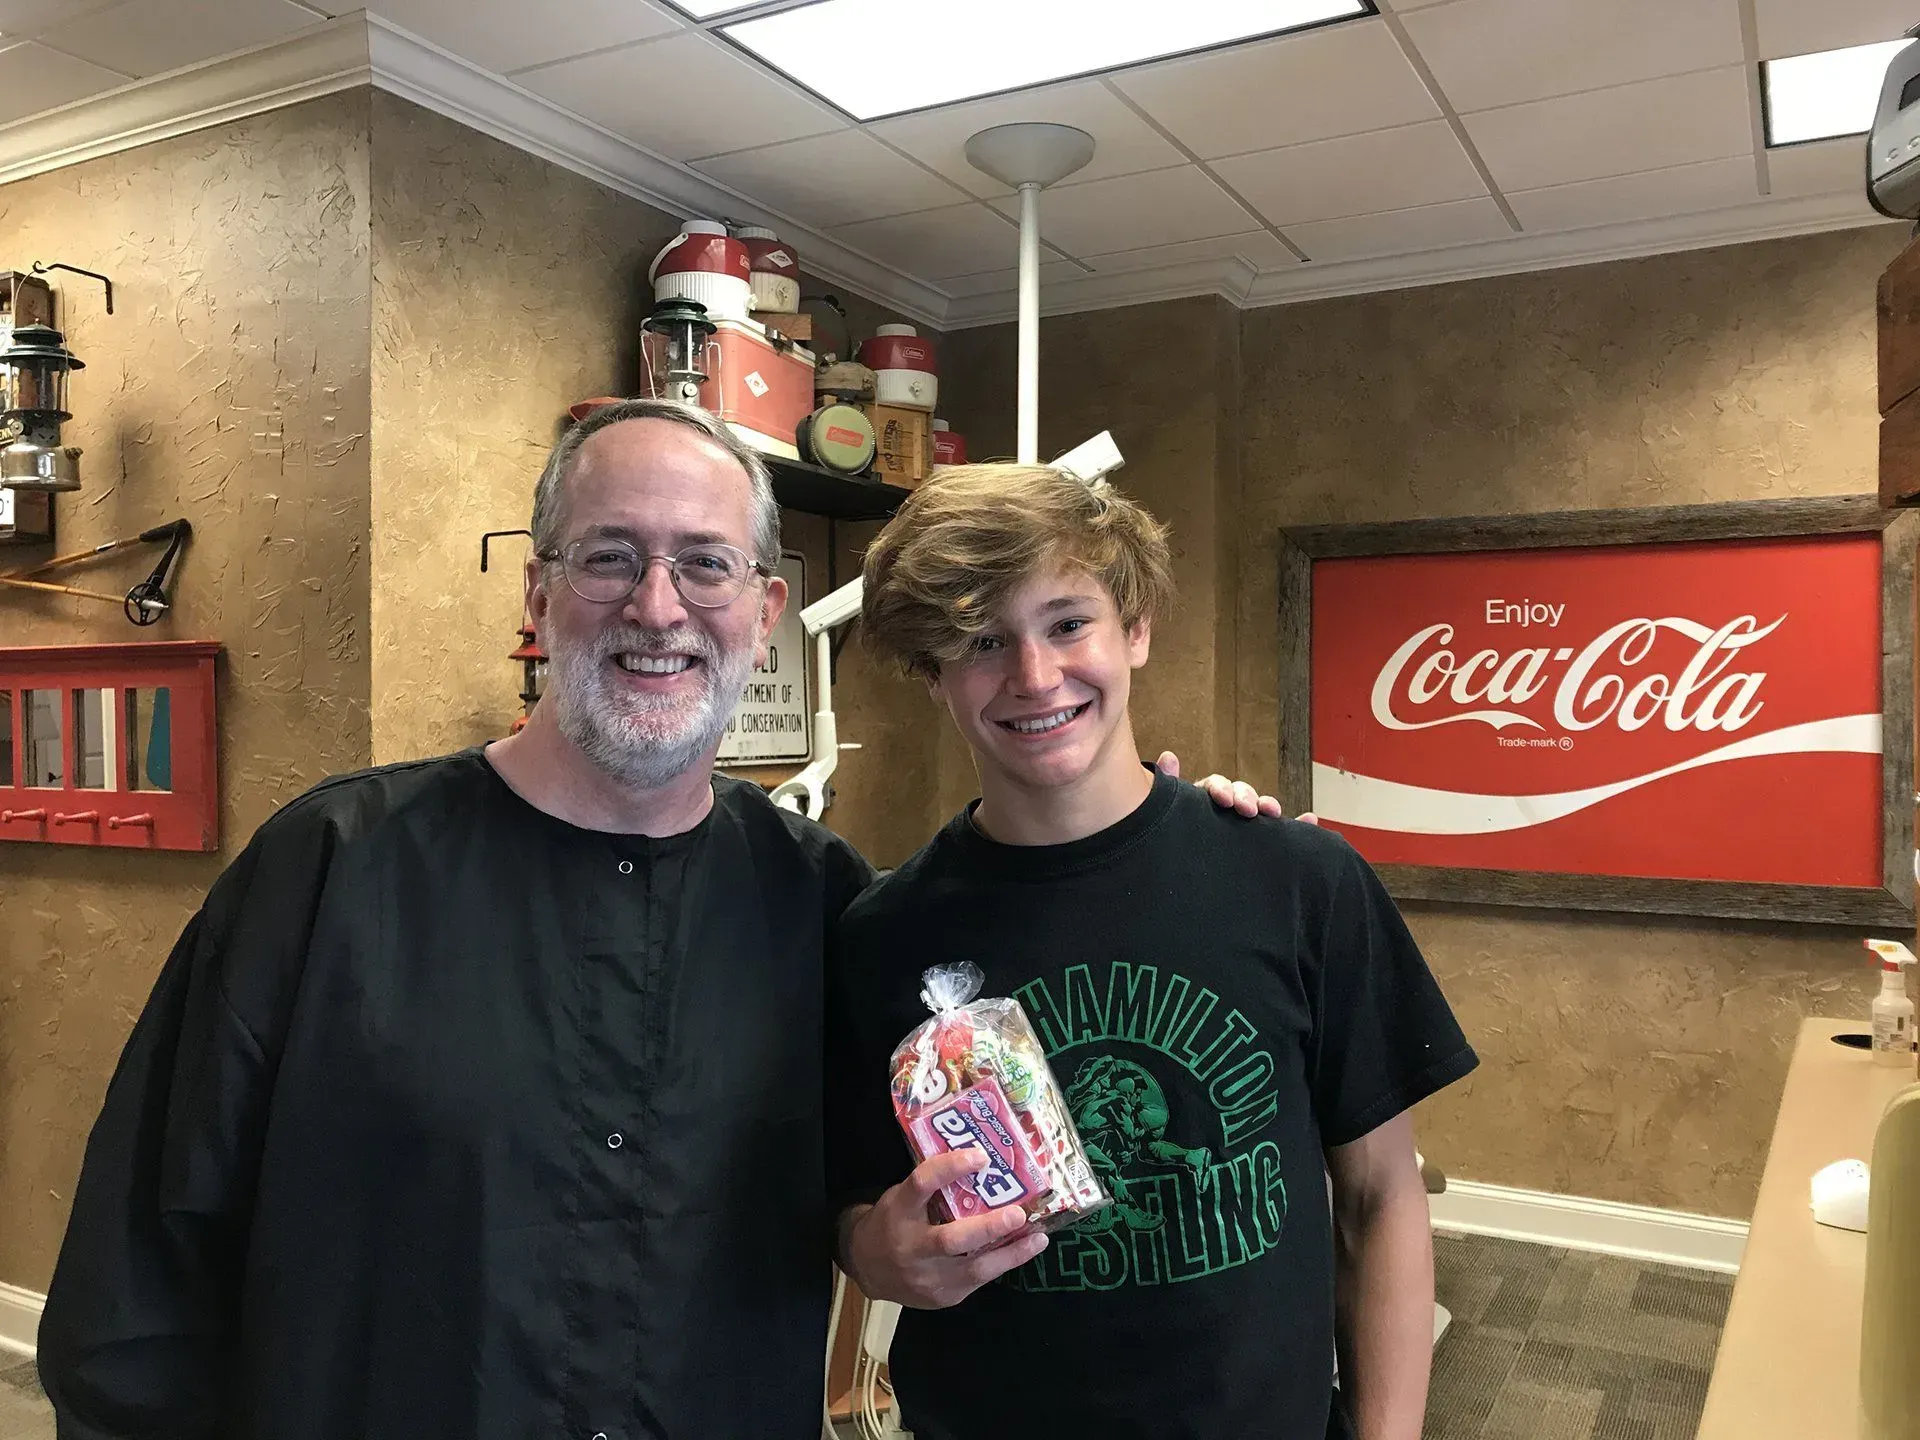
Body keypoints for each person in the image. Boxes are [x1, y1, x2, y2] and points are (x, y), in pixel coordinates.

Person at [35, 399, 1281, 1440]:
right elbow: (139, 1274)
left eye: (704, 562)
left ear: (766, 605)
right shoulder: (331, 870)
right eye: (609, 556)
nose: (659, 606)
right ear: (539, 592)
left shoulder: (822, 900)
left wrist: (1170, 835)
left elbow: (884, 1186)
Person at [827, 463, 1479, 1440]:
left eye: (1066, 621)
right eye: (980, 640)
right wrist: (875, 1256)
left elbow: (1382, 1198)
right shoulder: (881, 937)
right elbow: (849, 1210)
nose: (1035, 676)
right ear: (930, 672)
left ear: (1135, 629)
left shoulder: (1298, 881)